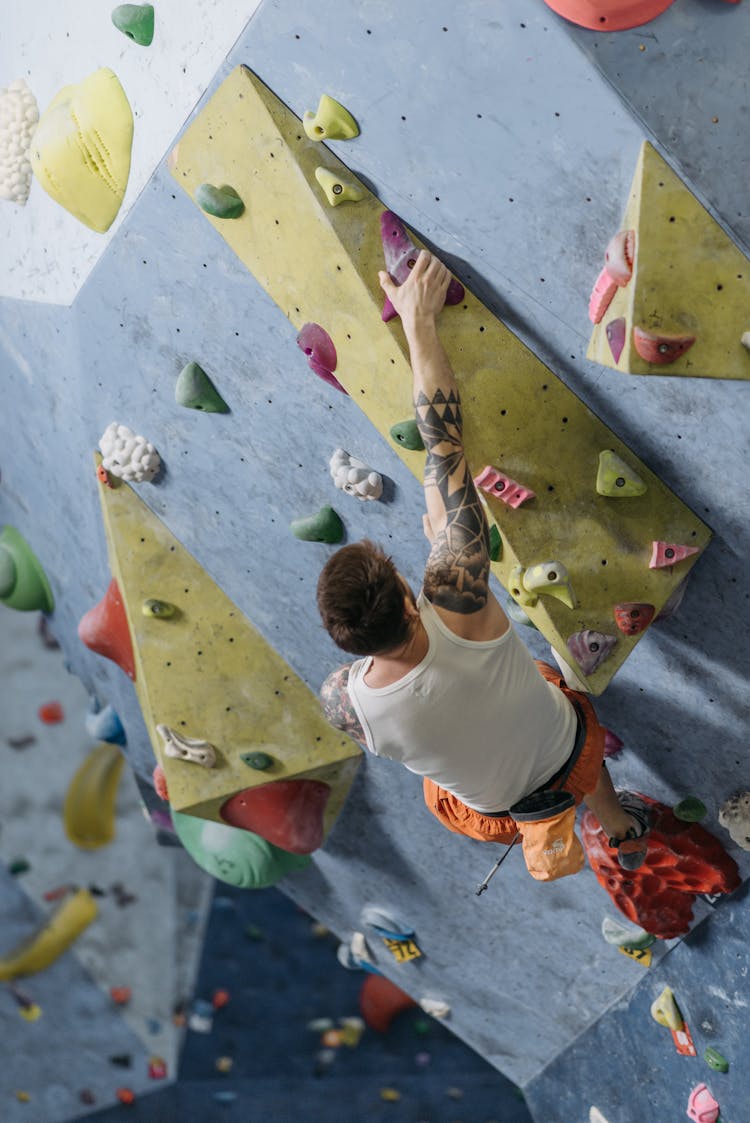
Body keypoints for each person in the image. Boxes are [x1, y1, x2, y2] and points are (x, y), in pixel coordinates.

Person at [316, 249, 650, 874]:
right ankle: (619, 825)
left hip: (494, 816)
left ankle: (571, 828)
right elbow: (444, 444)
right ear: (412, 597)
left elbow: (393, 682)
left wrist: (442, 550)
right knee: (553, 695)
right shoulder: (458, 593)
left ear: (351, 645)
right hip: (569, 749)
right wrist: (419, 323)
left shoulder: (342, 701)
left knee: (441, 778)